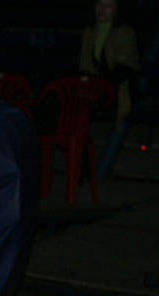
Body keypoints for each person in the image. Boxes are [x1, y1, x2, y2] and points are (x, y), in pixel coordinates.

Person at [78, 0, 140, 180]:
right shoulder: (89, 32)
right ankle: (82, 166)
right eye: (99, 4)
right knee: (74, 111)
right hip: (95, 88)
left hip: (119, 88)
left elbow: (124, 67)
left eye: (109, 5)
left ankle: (86, 167)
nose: (102, 10)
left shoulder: (124, 32)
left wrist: (99, 88)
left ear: (117, 9)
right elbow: (84, 66)